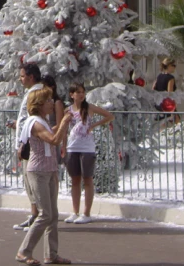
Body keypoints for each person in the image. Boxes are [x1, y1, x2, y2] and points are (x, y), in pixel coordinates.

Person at [16, 87, 73, 266]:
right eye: (48, 100)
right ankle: (23, 252)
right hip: (38, 171)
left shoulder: (42, 121)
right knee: (45, 214)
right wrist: (64, 121)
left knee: (53, 215)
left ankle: (51, 254)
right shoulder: (35, 122)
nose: (51, 103)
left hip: (49, 171)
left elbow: (51, 133)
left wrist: (62, 124)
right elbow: (54, 140)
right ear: (39, 104)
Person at [64, 82, 114, 224]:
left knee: (87, 179)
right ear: (72, 95)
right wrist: (63, 146)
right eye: (77, 92)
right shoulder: (68, 110)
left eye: (82, 92)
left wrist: (93, 125)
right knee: (75, 180)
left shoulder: (89, 108)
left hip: (87, 148)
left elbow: (109, 116)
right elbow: (64, 128)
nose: (80, 94)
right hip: (72, 147)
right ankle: (75, 212)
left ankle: (86, 213)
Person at [13, 63, 45, 231]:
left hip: (30, 143)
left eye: (23, 76)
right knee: (28, 181)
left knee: (33, 181)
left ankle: (39, 217)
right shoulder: (31, 92)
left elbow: (31, 118)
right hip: (26, 141)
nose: (21, 79)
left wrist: (22, 143)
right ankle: (34, 215)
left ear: (31, 77)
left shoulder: (36, 93)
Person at [43, 75, 66, 163]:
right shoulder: (44, 103)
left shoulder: (57, 103)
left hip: (52, 136)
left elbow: (60, 124)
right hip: (45, 137)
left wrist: (47, 131)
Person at [154, 58, 180, 124]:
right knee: (176, 121)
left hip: (158, 103)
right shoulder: (170, 78)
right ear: (168, 66)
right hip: (167, 104)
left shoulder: (159, 76)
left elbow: (153, 88)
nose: (175, 67)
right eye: (173, 65)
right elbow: (169, 93)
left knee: (161, 122)